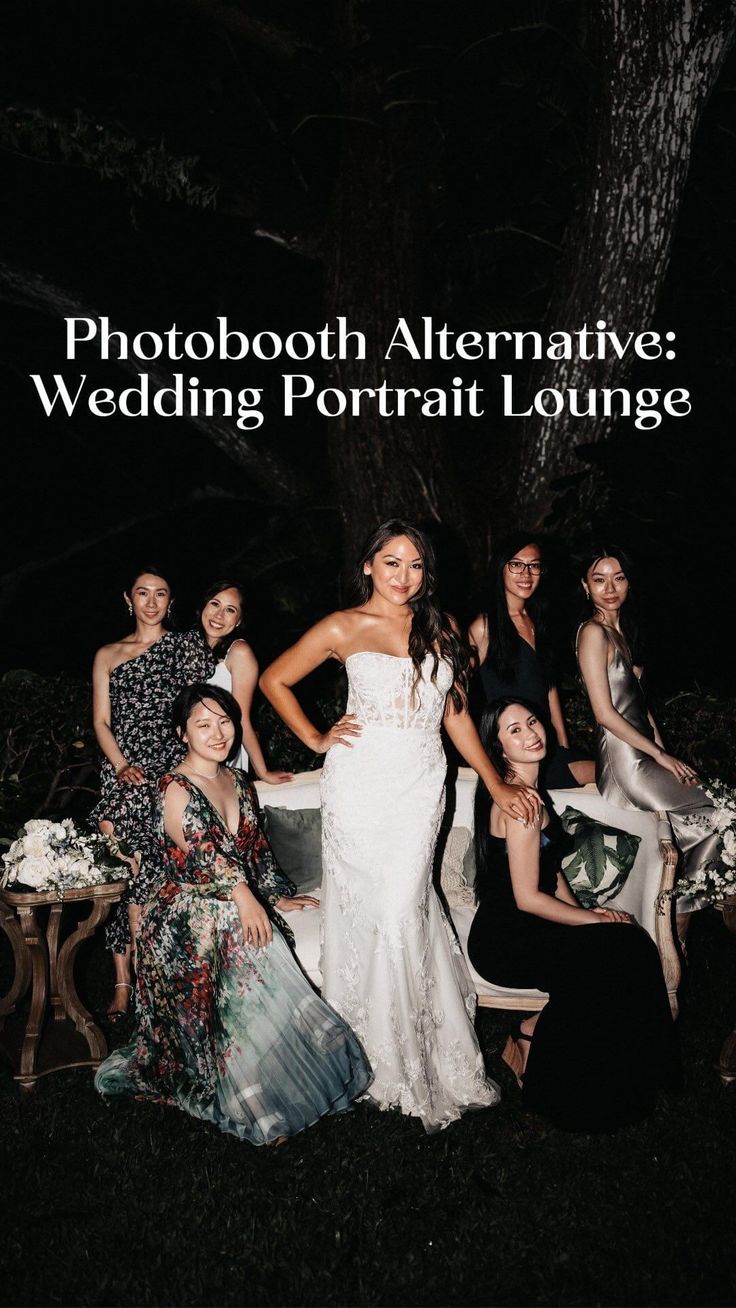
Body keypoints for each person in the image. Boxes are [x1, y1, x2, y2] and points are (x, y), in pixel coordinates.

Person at [259, 518, 539, 1131]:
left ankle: (419, 1055)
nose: (404, 576)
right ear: (368, 565)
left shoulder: (439, 628)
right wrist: (314, 736)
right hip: (358, 785)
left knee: (401, 907)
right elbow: (273, 679)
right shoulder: (342, 626)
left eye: (415, 565)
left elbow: (457, 714)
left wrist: (495, 781)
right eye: (392, 562)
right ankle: (369, 1056)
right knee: (374, 913)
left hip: (418, 787)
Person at [94, 683, 371, 1144]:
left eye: (225, 721)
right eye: (203, 724)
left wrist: (276, 896)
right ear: (183, 733)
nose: (218, 732)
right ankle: (246, 1092)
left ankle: (268, 1071)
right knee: (234, 924)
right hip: (182, 914)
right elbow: (205, 856)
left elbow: (256, 853)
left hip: (228, 901)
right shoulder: (173, 788)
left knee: (243, 925)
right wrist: (245, 898)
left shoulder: (239, 782)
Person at [467, 698, 679, 1130]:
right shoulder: (520, 805)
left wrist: (585, 911)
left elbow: (552, 870)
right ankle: (556, 1084)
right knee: (615, 951)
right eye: (514, 731)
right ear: (498, 748)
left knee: (628, 945)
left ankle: (633, 1065)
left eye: (531, 722)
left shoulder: (531, 790)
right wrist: (595, 921)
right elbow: (527, 897)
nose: (531, 733)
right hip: (506, 937)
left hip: (528, 922)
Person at [576, 546, 721, 939]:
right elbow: (605, 714)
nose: (610, 588)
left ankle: (678, 917)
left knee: (709, 821)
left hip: (644, 755)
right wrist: (658, 755)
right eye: (599, 579)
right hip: (625, 764)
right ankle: (683, 910)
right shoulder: (592, 632)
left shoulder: (621, 631)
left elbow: (638, 705)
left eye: (618, 577)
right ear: (584, 586)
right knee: (723, 810)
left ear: (628, 583)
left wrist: (663, 749)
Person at [91, 565, 214, 1018]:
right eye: (142, 593)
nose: (150, 601)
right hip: (122, 771)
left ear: (170, 601)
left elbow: (206, 698)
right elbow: (101, 721)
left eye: (160, 594)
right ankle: (124, 982)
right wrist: (121, 765)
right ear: (128, 598)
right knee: (126, 871)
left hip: (167, 772)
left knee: (154, 875)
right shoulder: (107, 653)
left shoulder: (184, 646)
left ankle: (149, 980)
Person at [468, 531, 594, 788]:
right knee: (606, 774)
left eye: (534, 566)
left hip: (543, 747)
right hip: (511, 755)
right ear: (501, 568)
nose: (526, 574)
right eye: (516, 565)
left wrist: (562, 745)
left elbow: (549, 690)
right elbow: (452, 691)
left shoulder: (539, 621)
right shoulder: (484, 627)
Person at [196, 578, 292, 782]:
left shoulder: (239, 652)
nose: (219, 615)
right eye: (215, 604)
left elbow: (242, 718)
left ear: (238, 620)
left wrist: (263, 772)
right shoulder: (185, 648)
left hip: (222, 750)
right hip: (189, 752)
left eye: (230, 610)